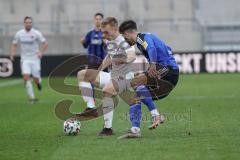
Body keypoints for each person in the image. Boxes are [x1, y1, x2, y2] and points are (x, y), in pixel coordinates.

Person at [75, 17, 162, 137]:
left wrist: (121, 59)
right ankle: (91, 108)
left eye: (106, 32)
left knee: (107, 92)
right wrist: (100, 69)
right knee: (82, 74)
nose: (103, 34)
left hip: (125, 78)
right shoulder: (108, 40)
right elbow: (110, 56)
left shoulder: (124, 41)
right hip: (113, 76)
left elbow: (132, 57)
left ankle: (107, 129)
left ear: (115, 29)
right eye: (102, 31)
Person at [117, 20, 180, 138]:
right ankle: (135, 130)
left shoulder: (141, 38)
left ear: (126, 34)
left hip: (168, 70)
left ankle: (155, 115)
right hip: (169, 74)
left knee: (134, 82)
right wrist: (146, 72)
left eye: (123, 37)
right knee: (136, 95)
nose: (125, 40)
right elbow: (167, 48)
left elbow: (151, 48)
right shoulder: (147, 37)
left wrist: (153, 64)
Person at [10, 16, 48, 103]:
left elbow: (45, 43)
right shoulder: (19, 33)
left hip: (35, 59)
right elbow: (14, 44)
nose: (28, 24)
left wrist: (41, 52)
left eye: (30, 22)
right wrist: (12, 53)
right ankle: (31, 97)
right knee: (26, 77)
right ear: (24, 24)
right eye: (27, 22)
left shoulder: (36, 33)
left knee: (35, 78)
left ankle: (38, 83)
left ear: (32, 23)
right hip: (25, 59)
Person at [79, 13, 106, 110]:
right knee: (89, 80)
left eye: (100, 19)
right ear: (94, 20)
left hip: (103, 61)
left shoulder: (105, 33)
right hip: (91, 61)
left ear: (102, 21)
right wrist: (82, 42)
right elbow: (85, 45)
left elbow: (108, 46)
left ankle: (107, 98)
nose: (98, 21)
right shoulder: (90, 33)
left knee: (105, 81)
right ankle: (92, 100)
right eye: (96, 19)